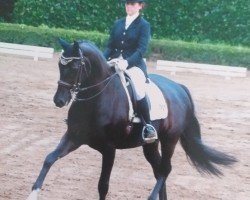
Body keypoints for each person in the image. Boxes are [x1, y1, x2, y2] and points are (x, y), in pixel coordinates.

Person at [103, 0, 157, 142]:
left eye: (132, 4)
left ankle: (148, 126)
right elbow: (110, 46)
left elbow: (141, 50)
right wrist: (102, 60)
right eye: (127, 3)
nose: (129, 6)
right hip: (114, 61)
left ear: (140, 6)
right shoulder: (118, 23)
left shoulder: (144, 25)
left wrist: (127, 62)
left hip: (133, 64)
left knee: (138, 88)